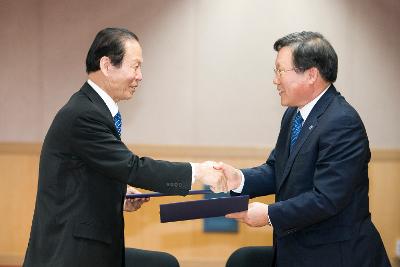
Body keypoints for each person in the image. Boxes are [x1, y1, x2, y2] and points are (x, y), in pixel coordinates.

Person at [23, 27, 227, 267]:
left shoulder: (92, 109)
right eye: (135, 66)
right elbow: (132, 167)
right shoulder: (84, 114)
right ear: (108, 65)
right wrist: (199, 172)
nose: (140, 76)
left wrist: (117, 196)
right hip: (70, 254)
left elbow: (86, 176)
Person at [217, 31, 390, 266]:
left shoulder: (342, 121)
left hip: (335, 256)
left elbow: (327, 198)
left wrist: (269, 214)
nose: (275, 80)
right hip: (297, 251)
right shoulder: (294, 115)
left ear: (311, 75)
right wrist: (239, 179)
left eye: (280, 70)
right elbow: (278, 170)